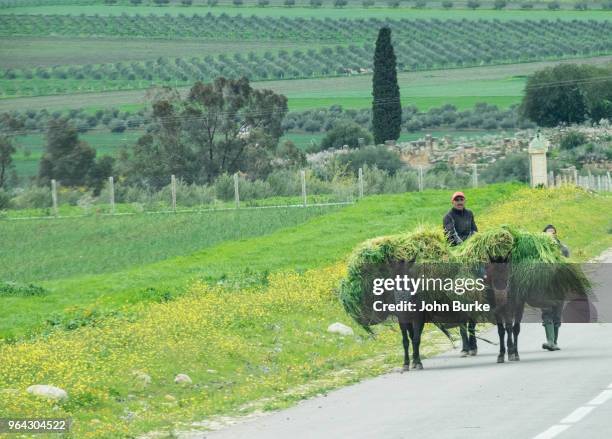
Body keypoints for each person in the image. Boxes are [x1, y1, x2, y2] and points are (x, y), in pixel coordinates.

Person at [443, 191, 478, 356]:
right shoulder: (448, 216)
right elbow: (451, 234)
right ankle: (465, 345)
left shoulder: (470, 214)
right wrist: (463, 247)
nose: (459, 202)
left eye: (461, 199)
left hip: (470, 250)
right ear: (452, 202)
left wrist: (471, 244)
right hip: (455, 252)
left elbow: (475, 230)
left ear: (465, 201)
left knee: (484, 272)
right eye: (456, 200)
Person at [541, 224, 569, 351]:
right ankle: (550, 341)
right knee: (547, 312)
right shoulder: (539, 248)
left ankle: (554, 342)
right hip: (545, 286)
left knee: (557, 314)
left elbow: (566, 259)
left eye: (553, 232)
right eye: (548, 232)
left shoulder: (562, 247)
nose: (551, 233)